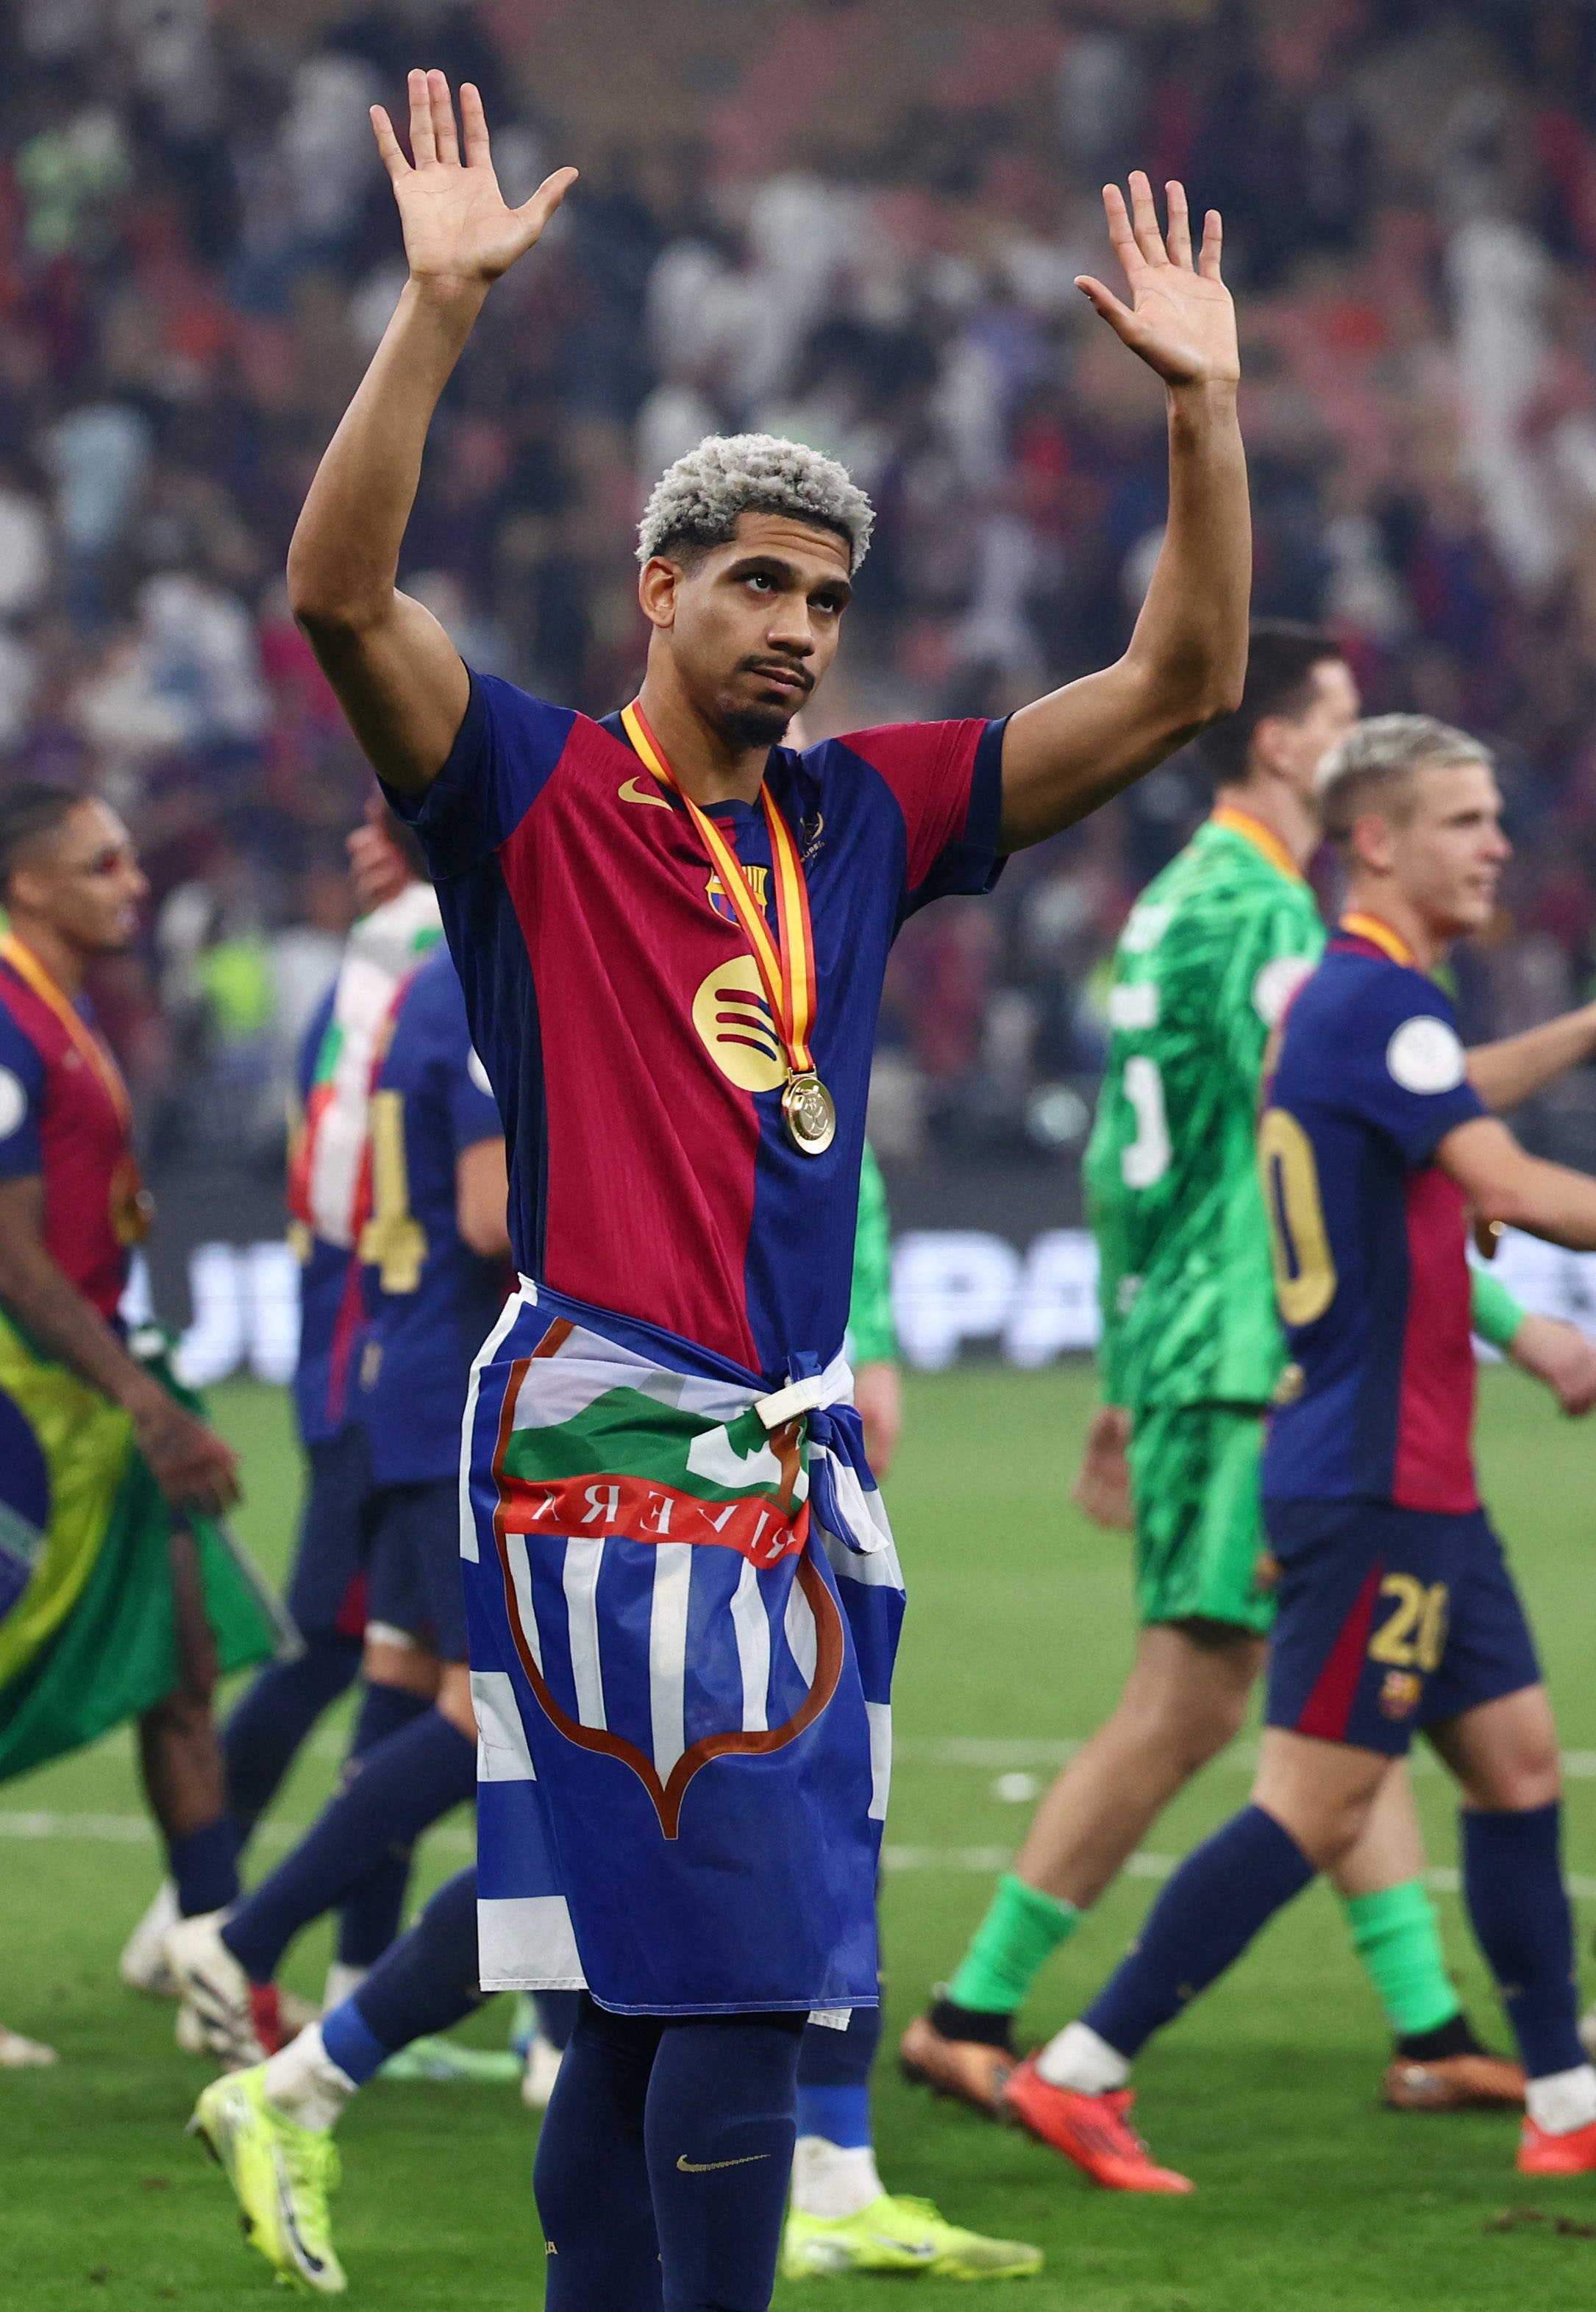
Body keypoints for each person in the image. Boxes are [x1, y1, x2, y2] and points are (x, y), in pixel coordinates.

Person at [270, 68, 1250, 2312]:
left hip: (780, 1464)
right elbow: (337, 592)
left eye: (827, 593)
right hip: (616, 1440)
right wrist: (434, 314)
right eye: (759, 585)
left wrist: (1203, 420)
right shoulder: (522, 789)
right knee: (734, 1993)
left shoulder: (864, 818)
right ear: (660, 588)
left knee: (639, 1997)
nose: (803, 626)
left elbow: (1183, 677)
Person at [903, 627, 1596, 2120]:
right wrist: (1515, 1324)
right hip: (1257, 1361)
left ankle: (1424, 2027)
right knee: (1201, 1704)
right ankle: (976, 2011)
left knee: (1336, 1704)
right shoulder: (1286, 935)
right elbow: (1368, 1163)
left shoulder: (1172, 912)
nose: (1357, 738)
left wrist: (1116, 1353)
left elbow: (1126, 1158)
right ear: (1286, 750)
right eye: (1343, 718)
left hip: (1190, 1332)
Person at [185, 1143, 1035, 2292]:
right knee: (679, 1832)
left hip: (633, 1410)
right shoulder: (529, 986)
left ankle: (831, 2163)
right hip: (605, 1430)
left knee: (655, 1839)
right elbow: (501, 1204)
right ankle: (272, 2011)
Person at [120, 799, 444, 2013]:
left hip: (363, 1347)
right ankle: (214, 1923)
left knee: (377, 1657)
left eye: (380, 824)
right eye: (357, 825)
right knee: (359, 1649)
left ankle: (272, 1941)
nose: (357, 845)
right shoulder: (418, 954)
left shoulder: (383, 960)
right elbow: (352, 1187)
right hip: (391, 1349)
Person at [168, 937, 510, 2062]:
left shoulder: (421, 979)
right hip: (463, 1390)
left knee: (404, 1683)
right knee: (496, 1717)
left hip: (413, 1381)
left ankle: (353, 1984)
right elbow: (492, 1215)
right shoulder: (487, 976)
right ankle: (247, 1941)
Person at [0, 786, 275, 1992]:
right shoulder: (6, 1021)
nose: (133, 882)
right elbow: (10, 1257)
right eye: (103, 864)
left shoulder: (63, 1010)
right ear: (30, 886)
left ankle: (214, 1961)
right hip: (31, 1405)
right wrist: (147, 1400)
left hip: (97, 1386)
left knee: (186, 1662)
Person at [783, 1140, 1040, 2281]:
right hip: (695, 1449)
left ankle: (832, 2172)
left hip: (778, 1424)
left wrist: (860, 1347)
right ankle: (320, 2067)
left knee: (825, 1803)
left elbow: (827, 1161)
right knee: (682, 1837)